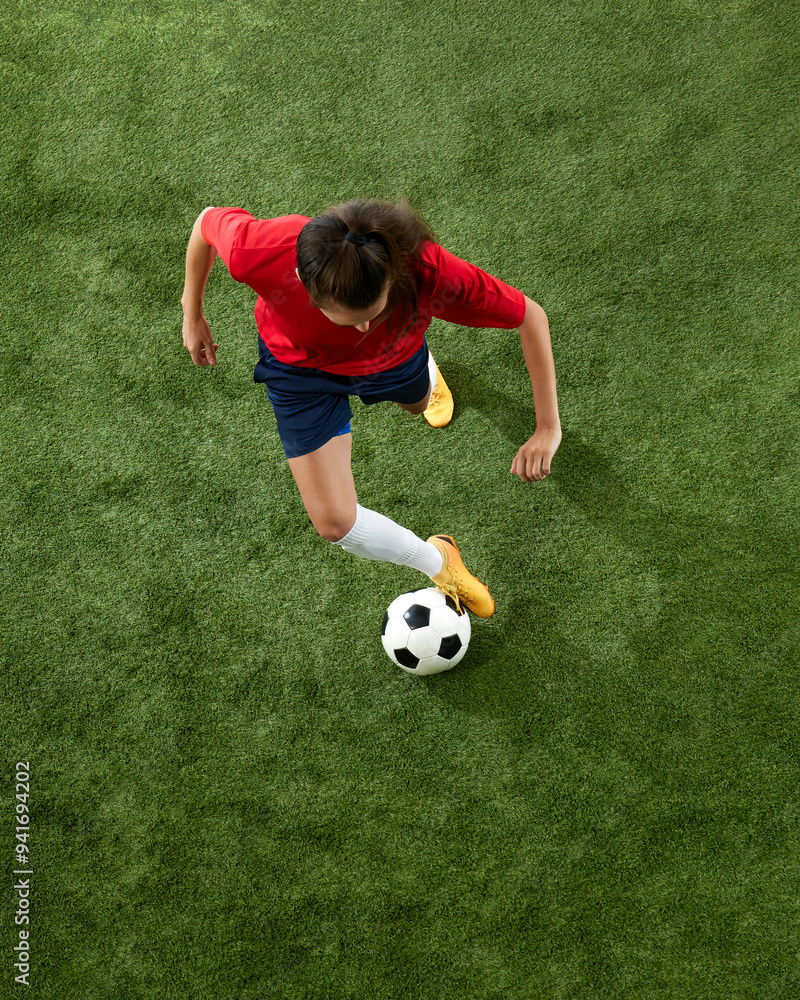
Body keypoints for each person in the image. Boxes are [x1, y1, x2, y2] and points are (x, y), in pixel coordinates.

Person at [181, 198, 561, 618]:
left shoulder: (429, 269)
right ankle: (440, 562)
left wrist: (548, 426)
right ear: (301, 280)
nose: (364, 327)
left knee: (416, 405)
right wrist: (191, 312)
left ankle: (426, 372)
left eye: (373, 312)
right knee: (334, 523)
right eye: (350, 319)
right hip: (298, 369)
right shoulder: (262, 249)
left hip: (393, 357)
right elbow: (206, 224)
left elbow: (529, 315)